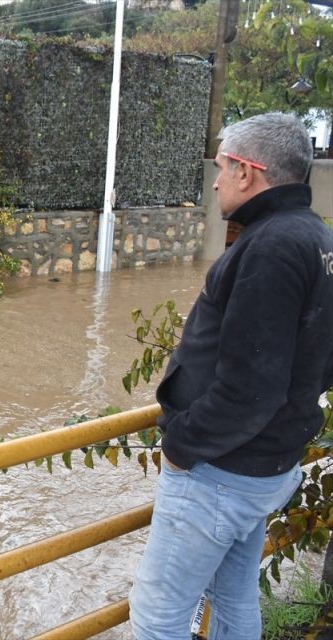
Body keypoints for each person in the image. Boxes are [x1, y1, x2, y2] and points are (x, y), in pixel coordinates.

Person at [128, 112, 333, 639]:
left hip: (221, 470)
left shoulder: (269, 248)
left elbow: (251, 387)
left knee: (157, 616)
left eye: (222, 167)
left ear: (248, 171)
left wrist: (180, 446)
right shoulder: (316, 237)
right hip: (265, 466)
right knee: (234, 596)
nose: (215, 180)